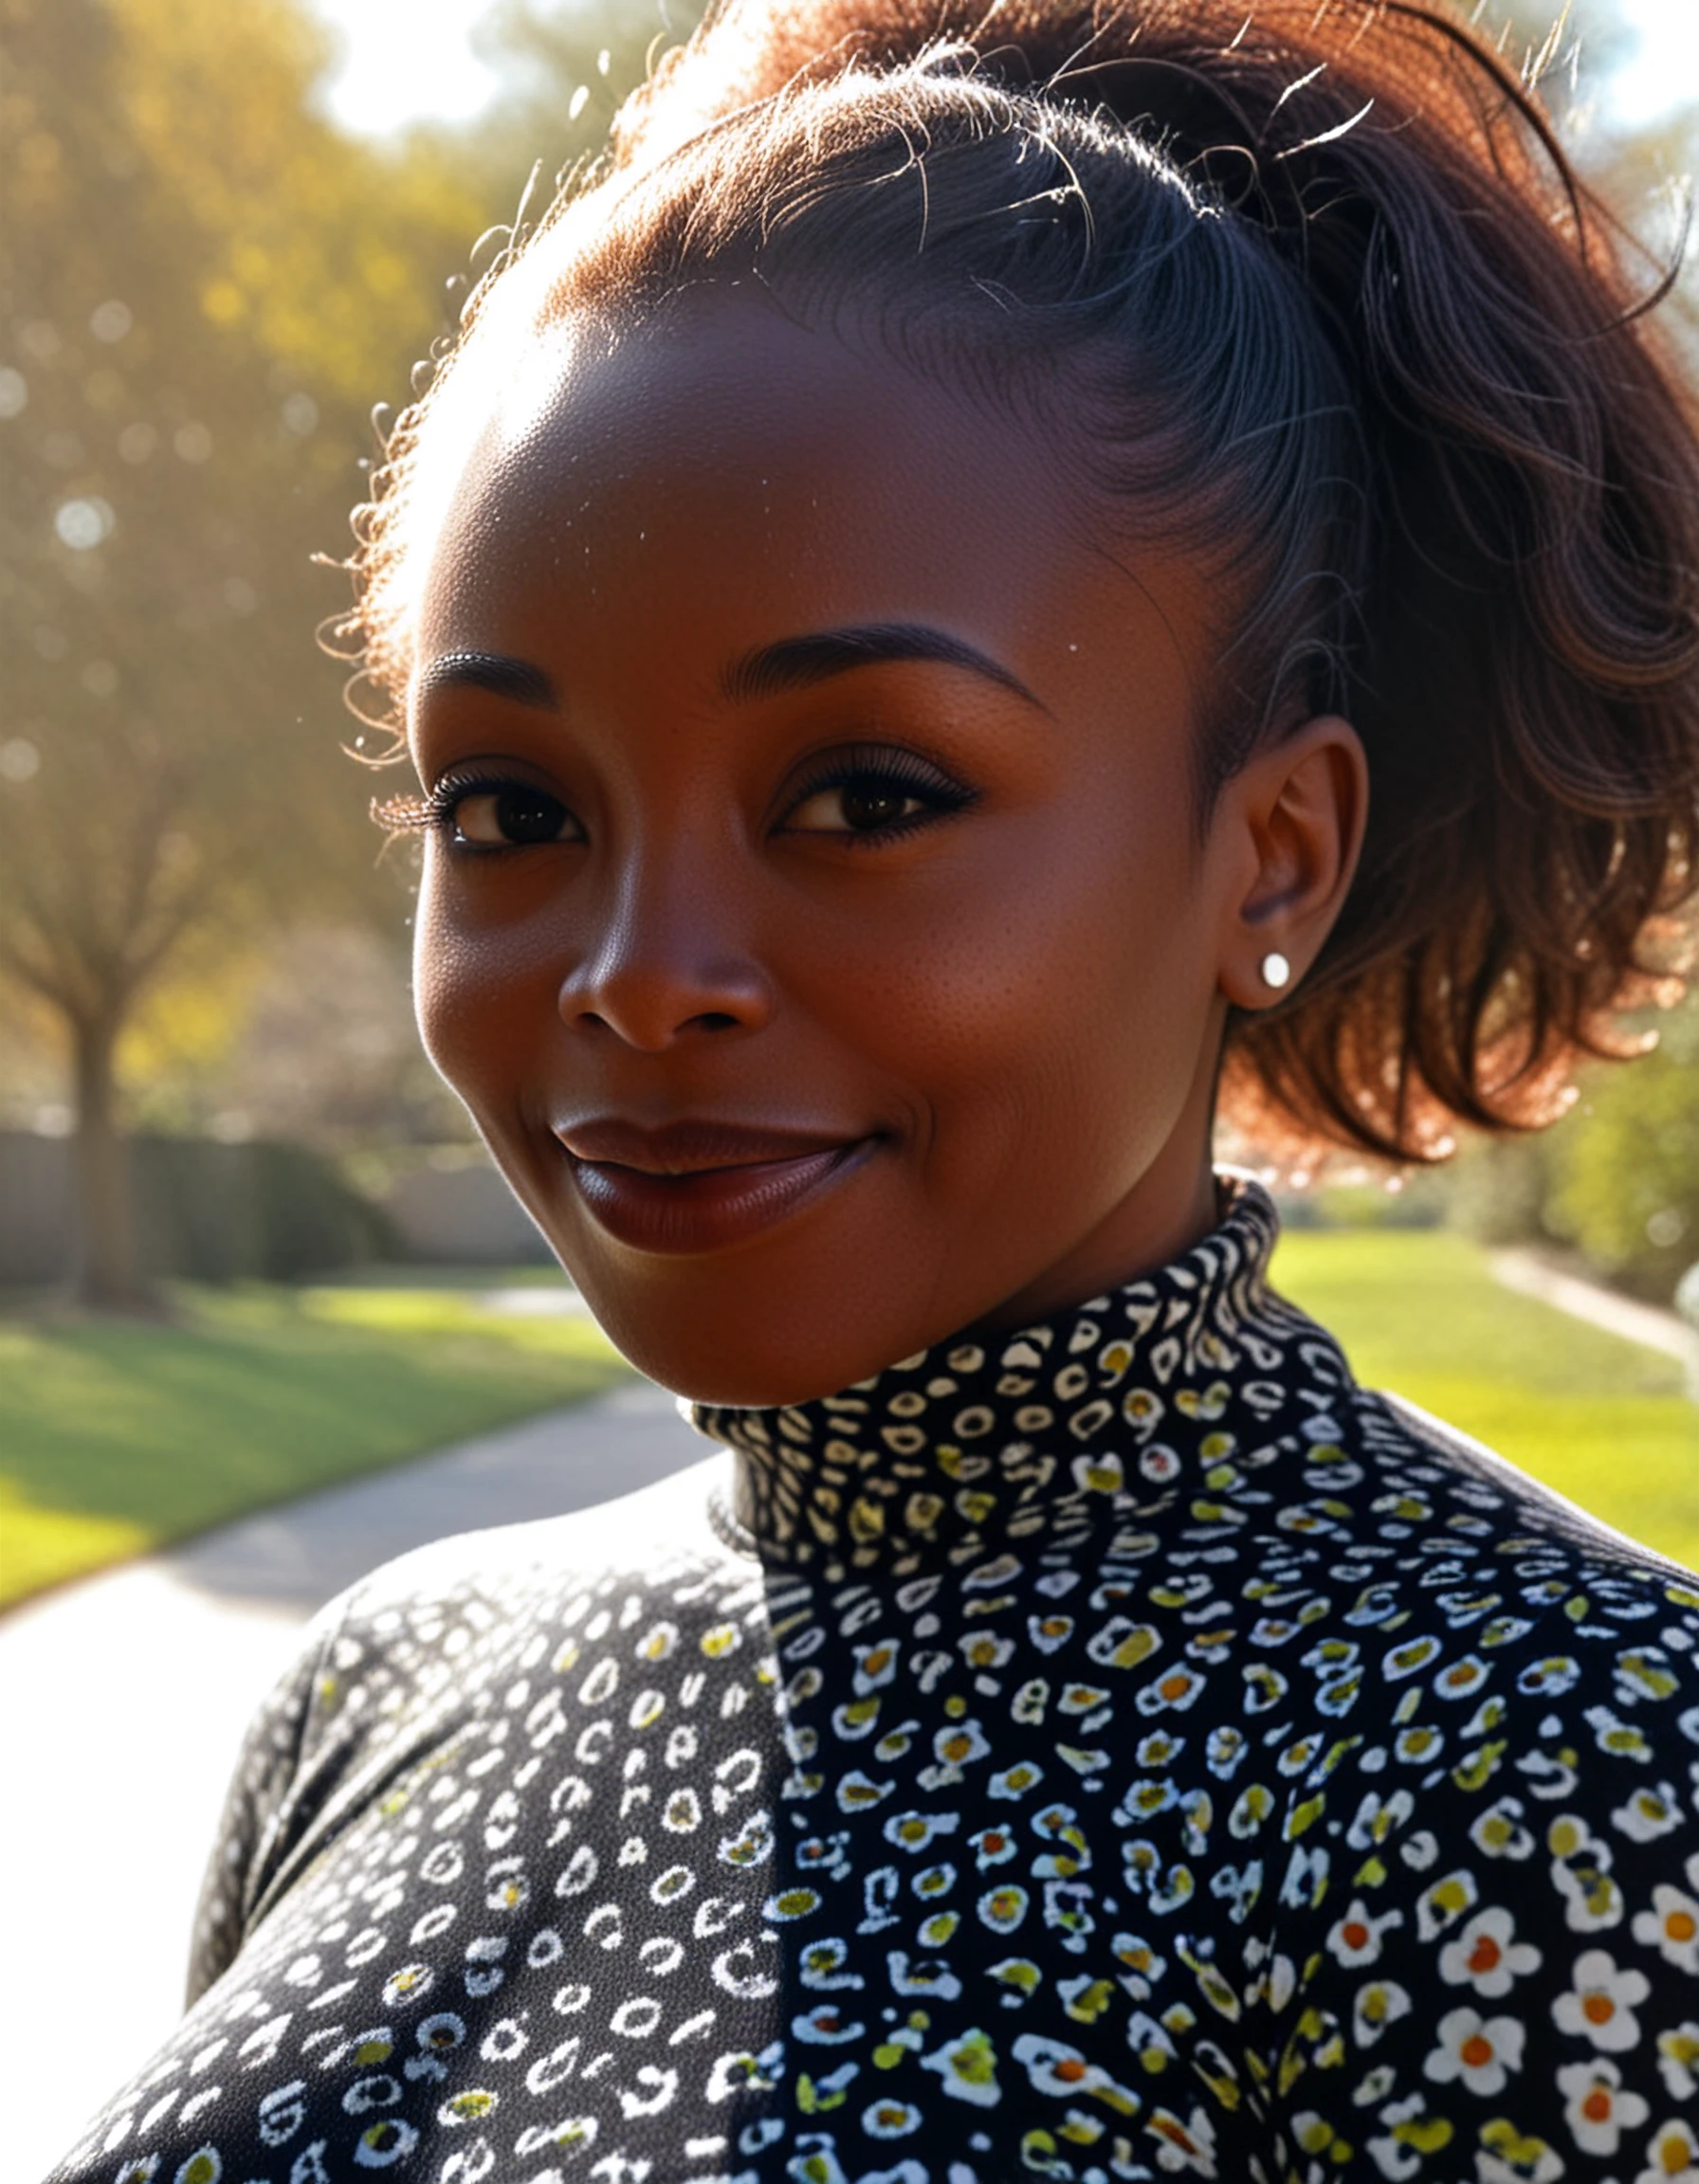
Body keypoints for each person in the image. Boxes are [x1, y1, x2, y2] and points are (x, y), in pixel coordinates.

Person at [46, 2, 1699, 2179]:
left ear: (1266, 850)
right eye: (511, 810)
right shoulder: (385, 1684)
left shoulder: (1555, 1774)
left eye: (863, 791)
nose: (641, 979)